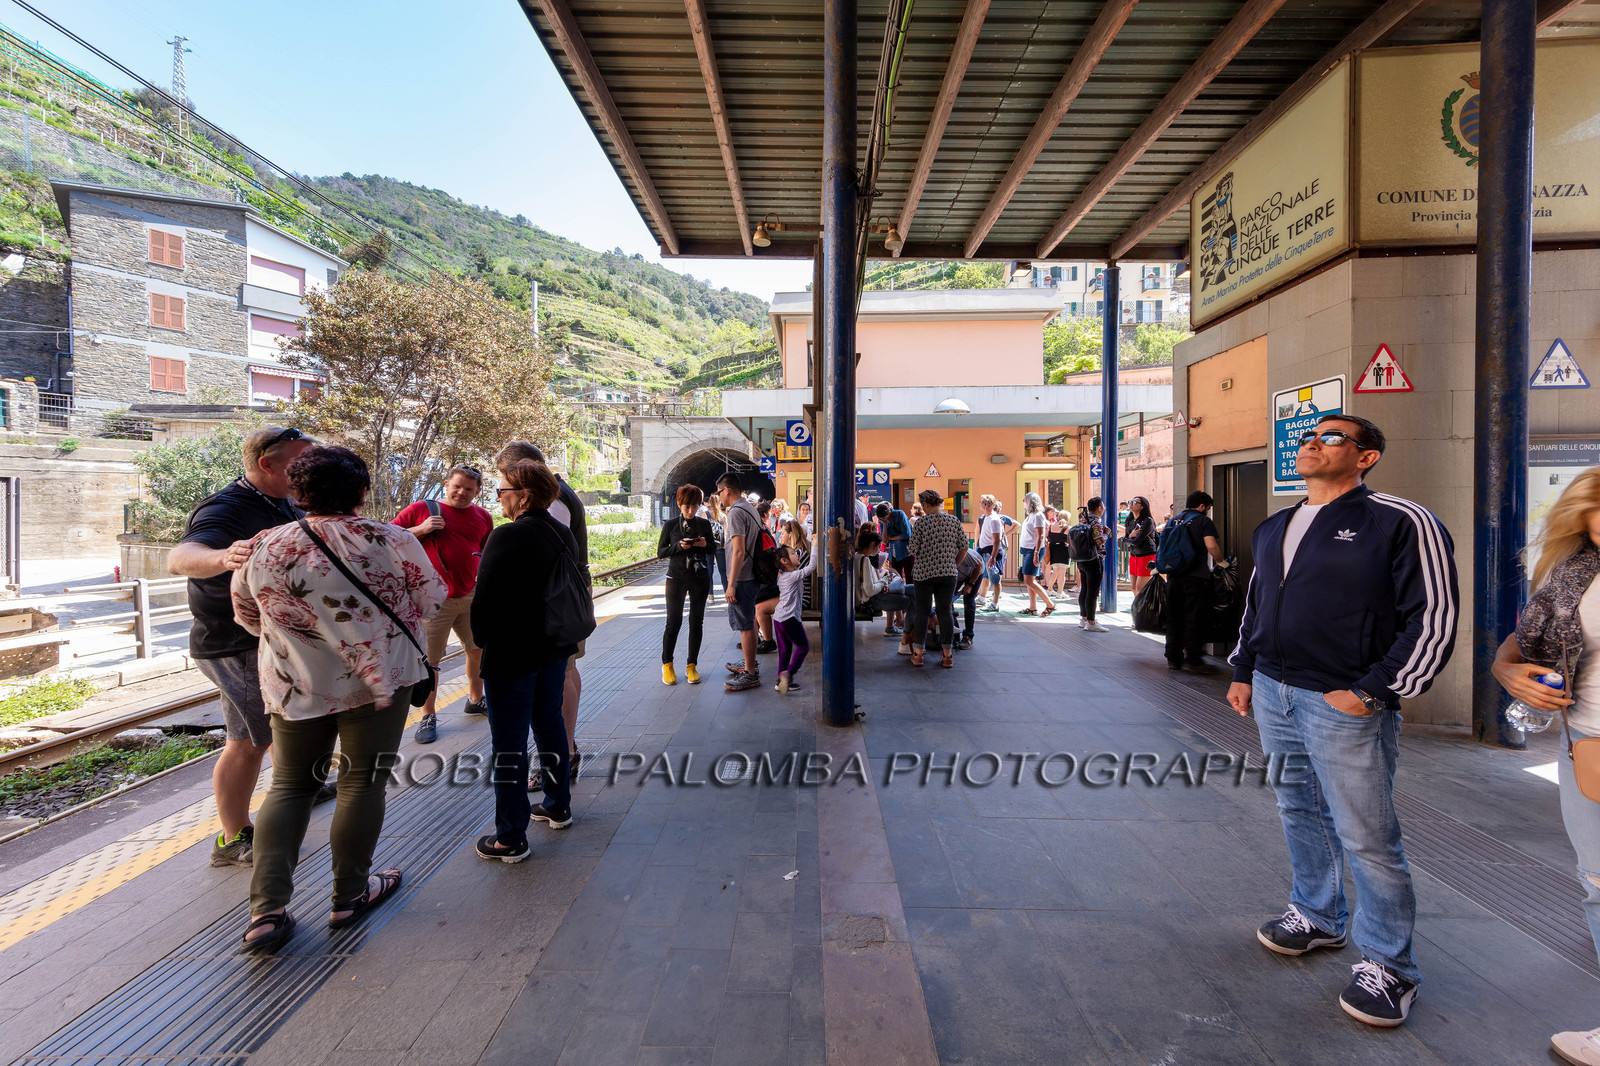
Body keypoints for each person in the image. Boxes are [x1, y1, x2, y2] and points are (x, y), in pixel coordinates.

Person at [1227, 413, 1459, 1029]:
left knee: (1366, 834)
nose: (1312, 443)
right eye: (1309, 436)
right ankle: (1317, 914)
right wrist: (1244, 670)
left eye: (1332, 437)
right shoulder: (1277, 524)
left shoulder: (1400, 522)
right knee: (1297, 808)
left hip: (1344, 701)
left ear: (1367, 457)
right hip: (1275, 693)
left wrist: (1374, 691)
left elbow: (1431, 617)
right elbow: (1258, 605)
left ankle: (1389, 966)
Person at [232, 445, 445, 953]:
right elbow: (432, 600)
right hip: (380, 682)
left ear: (298, 492)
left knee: (289, 787)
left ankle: (266, 912)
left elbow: (246, 613)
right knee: (361, 784)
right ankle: (349, 896)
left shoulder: (265, 545)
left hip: (295, 682)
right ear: (362, 491)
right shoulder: (390, 539)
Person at [1491, 467, 1600, 1064]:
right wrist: (1507, 670)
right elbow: (1521, 642)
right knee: (1598, 884)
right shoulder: (1572, 573)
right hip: (1584, 737)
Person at [169, 425, 315, 868]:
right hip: (236, 643)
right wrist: (223, 557)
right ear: (266, 465)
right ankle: (233, 837)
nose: (307, 471)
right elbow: (179, 558)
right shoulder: (226, 508)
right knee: (250, 742)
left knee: (252, 735)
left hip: (264, 638)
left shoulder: (286, 500)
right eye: (299, 463)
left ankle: (295, 788)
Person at [472, 459, 584, 862]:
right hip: (552, 649)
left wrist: (481, 645)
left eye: (502, 490)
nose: (498, 497)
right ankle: (558, 805)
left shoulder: (506, 537)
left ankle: (510, 837)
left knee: (509, 745)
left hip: (511, 655)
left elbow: (483, 606)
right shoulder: (561, 533)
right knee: (550, 724)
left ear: (524, 495)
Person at [494, 442, 587, 787]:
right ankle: (566, 749)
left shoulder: (554, 500)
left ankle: (562, 755)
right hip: (565, 596)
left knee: (560, 675)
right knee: (567, 671)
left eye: (505, 483)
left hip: (557, 601)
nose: (502, 491)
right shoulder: (560, 492)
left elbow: (546, 553)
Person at [395, 466, 493, 746]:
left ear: (478, 492)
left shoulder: (482, 516)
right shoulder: (419, 509)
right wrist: (421, 529)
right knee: (431, 661)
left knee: (477, 650)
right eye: (457, 486)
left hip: (470, 595)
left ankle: (476, 699)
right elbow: (386, 541)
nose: (461, 493)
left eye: (469, 489)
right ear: (447, 483)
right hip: (432, 599)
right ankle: (428, 714)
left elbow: (485, 552)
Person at [1161, 490, 1227, 670]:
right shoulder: (1203, 521)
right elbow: (1211, 544)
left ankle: (1173, 657)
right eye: (1208, 507)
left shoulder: (1173, 520)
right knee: (1193, 617)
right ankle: (1193, 658)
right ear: (1202, 506)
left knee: (1174, 616)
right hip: (1195, 577)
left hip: (1174, 575)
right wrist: (1221, 562)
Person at [658, 484, 714, 686]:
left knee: (696, 622)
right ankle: (667, 665)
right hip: (676, 578)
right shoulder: (671, 525)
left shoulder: (703, 524)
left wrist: (704, 544)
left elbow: (713, 548)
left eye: (695, 506)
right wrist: (678, 546)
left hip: (700, 578)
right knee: (673, 622)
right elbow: (661, 552)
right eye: (687, 507)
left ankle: (692, 666)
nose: (691, 511)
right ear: (680, 504)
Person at [906, 488, 966, 669]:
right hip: (948, 575)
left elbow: (912, 550)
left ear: (924, 505)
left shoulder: (921, 524)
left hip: (924, 575)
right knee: (945, 611)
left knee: (922, 612)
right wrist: (953, 565)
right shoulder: (954, 521)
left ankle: (918, 654)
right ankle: (947, 655)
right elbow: (964, 546)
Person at [717, 473, 763, 691]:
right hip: (752, 575)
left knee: (745, 625)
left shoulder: (735, 512)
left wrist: (730, 583)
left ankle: (750, 674)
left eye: (719, 493)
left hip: (743, 577)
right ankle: (749, 663)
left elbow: (738, 552)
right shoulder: (749, 507)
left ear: (726, 490)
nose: (718, 498)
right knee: (750, 621)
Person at [772, 524, 817, 694]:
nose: (797, 554)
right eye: (793, 553)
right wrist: (815, 545)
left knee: (785, 651)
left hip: (778, 619)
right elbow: (811, 568)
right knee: (803, 647)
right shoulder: (792, 576)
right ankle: (788, 675)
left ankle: (780, 681)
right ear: (784, 561)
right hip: (789, 619)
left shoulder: (784, 576)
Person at [1069, 502, 1110, 632]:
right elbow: (1099, 540)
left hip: (1081, 559)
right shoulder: (1096, 522)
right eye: (1103, 506)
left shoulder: (1083, 519)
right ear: (1099, 508)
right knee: (1093, 591)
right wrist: (1107, 534)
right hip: (1094, 559)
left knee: (1085, 589)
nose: (1104, 508)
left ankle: (1084, 618)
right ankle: (1091, 622)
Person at [876, 501, 912, 635]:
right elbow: (884, 540)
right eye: (881, 519)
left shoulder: (900, 514)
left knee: (909, 579)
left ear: (889, 511)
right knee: (896, 580)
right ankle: (899, 616)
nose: (883, 520)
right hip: (895, 553)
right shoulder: (882, 520)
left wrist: (894, 537)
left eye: (884, 518)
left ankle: (909, 612)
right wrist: (884, 525)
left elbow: (907, 534)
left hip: (907, 552)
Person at [1017, 492, 1055, 617]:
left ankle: (1050, 605)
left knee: (1029, 581)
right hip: (1027, 549)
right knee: (1030, 580)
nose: (1023, 502)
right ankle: (1033, 608)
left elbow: (1041, 536)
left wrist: (1036, 553)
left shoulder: (1038, 516)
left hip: (1033, 550)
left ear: (1030, 502)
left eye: (1024, 500)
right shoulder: (1030, 516)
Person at [976, 494, 1007, 612]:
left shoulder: (994, 519)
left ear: (985, 504)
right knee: (986, 576)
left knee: (994, 578)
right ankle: (984, 599)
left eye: (981, 502)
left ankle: (995, 603)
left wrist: (993, 556)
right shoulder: (987, 517)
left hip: (990, 552)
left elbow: (997, 539)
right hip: (985, 551)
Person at [1125, 495, 1158, 596]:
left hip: (1146, 556)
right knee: (1134, 588)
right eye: (1130, 501)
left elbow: (1136, 541)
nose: (1131, 504)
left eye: (1135, 503)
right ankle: (1138, 609)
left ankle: (1145, 609)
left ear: (1142, 506)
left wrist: (1129, 539)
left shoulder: (1148, 521)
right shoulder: (1129, 520)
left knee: (1140, 588)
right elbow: (1125, 540)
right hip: (1134, 556)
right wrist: (1130, 536)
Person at [954, 545, 985, 650]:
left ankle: (968, 636)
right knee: (947, 600)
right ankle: (953, 632)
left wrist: (970, 584)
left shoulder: (960, 552)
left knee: (968, 600)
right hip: (957, 575)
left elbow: (978, 566)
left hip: (975, 572)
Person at [1044, 506, 1071, 596]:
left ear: (1058, 517)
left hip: (1053, 549)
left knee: (1055, 571)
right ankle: (1060, 592)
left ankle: (1050, 589)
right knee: (1062, 573)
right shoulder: (1067, 528)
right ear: (1067, 519)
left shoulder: (1051, 526)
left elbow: (1047, 537)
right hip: (1063, 550)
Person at [706, 493, 730, 594]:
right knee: (723, 572)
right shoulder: (723, 516)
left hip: (709, 546)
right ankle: (726, 593)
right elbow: (726, 533)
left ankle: (711, 595)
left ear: (709, 503)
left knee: (709, 572)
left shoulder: (705, 514)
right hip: (721, 547)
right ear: (719, 503)